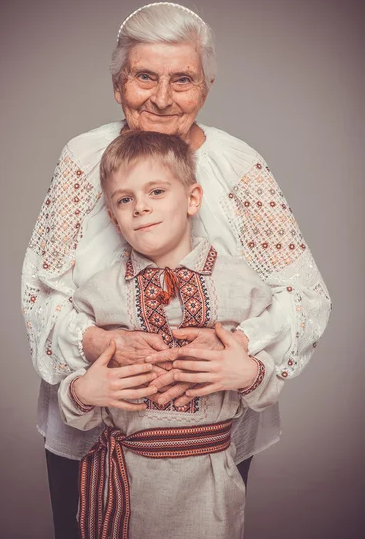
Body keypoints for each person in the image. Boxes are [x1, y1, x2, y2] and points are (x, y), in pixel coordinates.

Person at [21, 2, 332, 539]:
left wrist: (241, 353)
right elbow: (39, 293)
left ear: (205, 88)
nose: (162, 98)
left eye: (182, 79)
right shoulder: (82, 160)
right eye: (145, 77)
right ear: (118, 85)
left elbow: (304, 297)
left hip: (207, 444)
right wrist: (91, 341)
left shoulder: (239, 168)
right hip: (98, 430)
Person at [58, 130, 283, 539]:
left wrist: (247, 373)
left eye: (157, 191)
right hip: (125, 483)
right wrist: (84, 392)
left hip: (210, 484)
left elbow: (267, 390)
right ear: (113, 216)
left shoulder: (240, 284)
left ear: (192, 199)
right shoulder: (98, 293)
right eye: (125, 200)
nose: (141, 208)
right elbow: (74, 406)